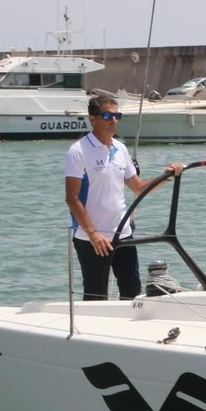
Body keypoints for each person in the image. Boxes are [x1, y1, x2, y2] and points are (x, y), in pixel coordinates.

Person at [64, 95, 183, 301]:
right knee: (96, 296)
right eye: (108, 115)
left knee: (132, 293)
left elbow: (138, 187)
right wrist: (93, 234)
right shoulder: (78, 151)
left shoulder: (121, 149)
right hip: (93, 239)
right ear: (93, 119)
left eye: (117, 115)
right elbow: (72, 198)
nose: (114, 121)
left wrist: (167, 176)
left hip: (123, 234)